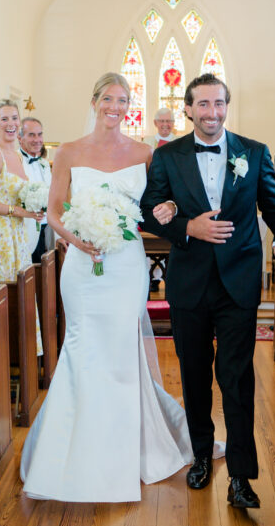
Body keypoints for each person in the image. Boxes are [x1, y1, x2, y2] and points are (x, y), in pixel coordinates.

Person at [141, 73, 275, 509]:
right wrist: (186, 227)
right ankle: (201, 455)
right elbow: (149, 211)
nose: (212, 113)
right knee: (194, 374)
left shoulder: (255, 152)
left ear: (227, 106)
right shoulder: (168, 157)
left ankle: (243, 476)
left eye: (219, 104)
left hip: (238, 284)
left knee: (236, 378)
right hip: (190, 282)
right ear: (188, 108)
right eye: (203, 105)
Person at [20, 72, 209, 503]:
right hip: (82, 266)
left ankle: (125, 452)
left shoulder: (144, 153)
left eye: (123, 100)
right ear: (94, 101)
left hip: (125, 264)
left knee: (121, 347)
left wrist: (169, 208)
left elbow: (163, 201)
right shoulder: (67, 151)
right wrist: (77, 240)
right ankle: (72, 448)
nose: (115, 107)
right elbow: (53, 211)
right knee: (83, 346)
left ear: (129, 107)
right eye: (108, 98)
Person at [0, 100, 44, 284]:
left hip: (19, 232)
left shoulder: (16, 156)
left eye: (14, 118)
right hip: (0, 235)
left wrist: (34, 205)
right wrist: (19, 211)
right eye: (4, 119)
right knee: (4, 293)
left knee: (22, 291)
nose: (10, 123)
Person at [19, 116, 52, 263]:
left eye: (40, 134)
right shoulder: (15, 161)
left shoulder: (44, 164)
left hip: (45, 227)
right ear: (20, 138)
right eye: (31, 135)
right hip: (25, 228)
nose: (37, 139)